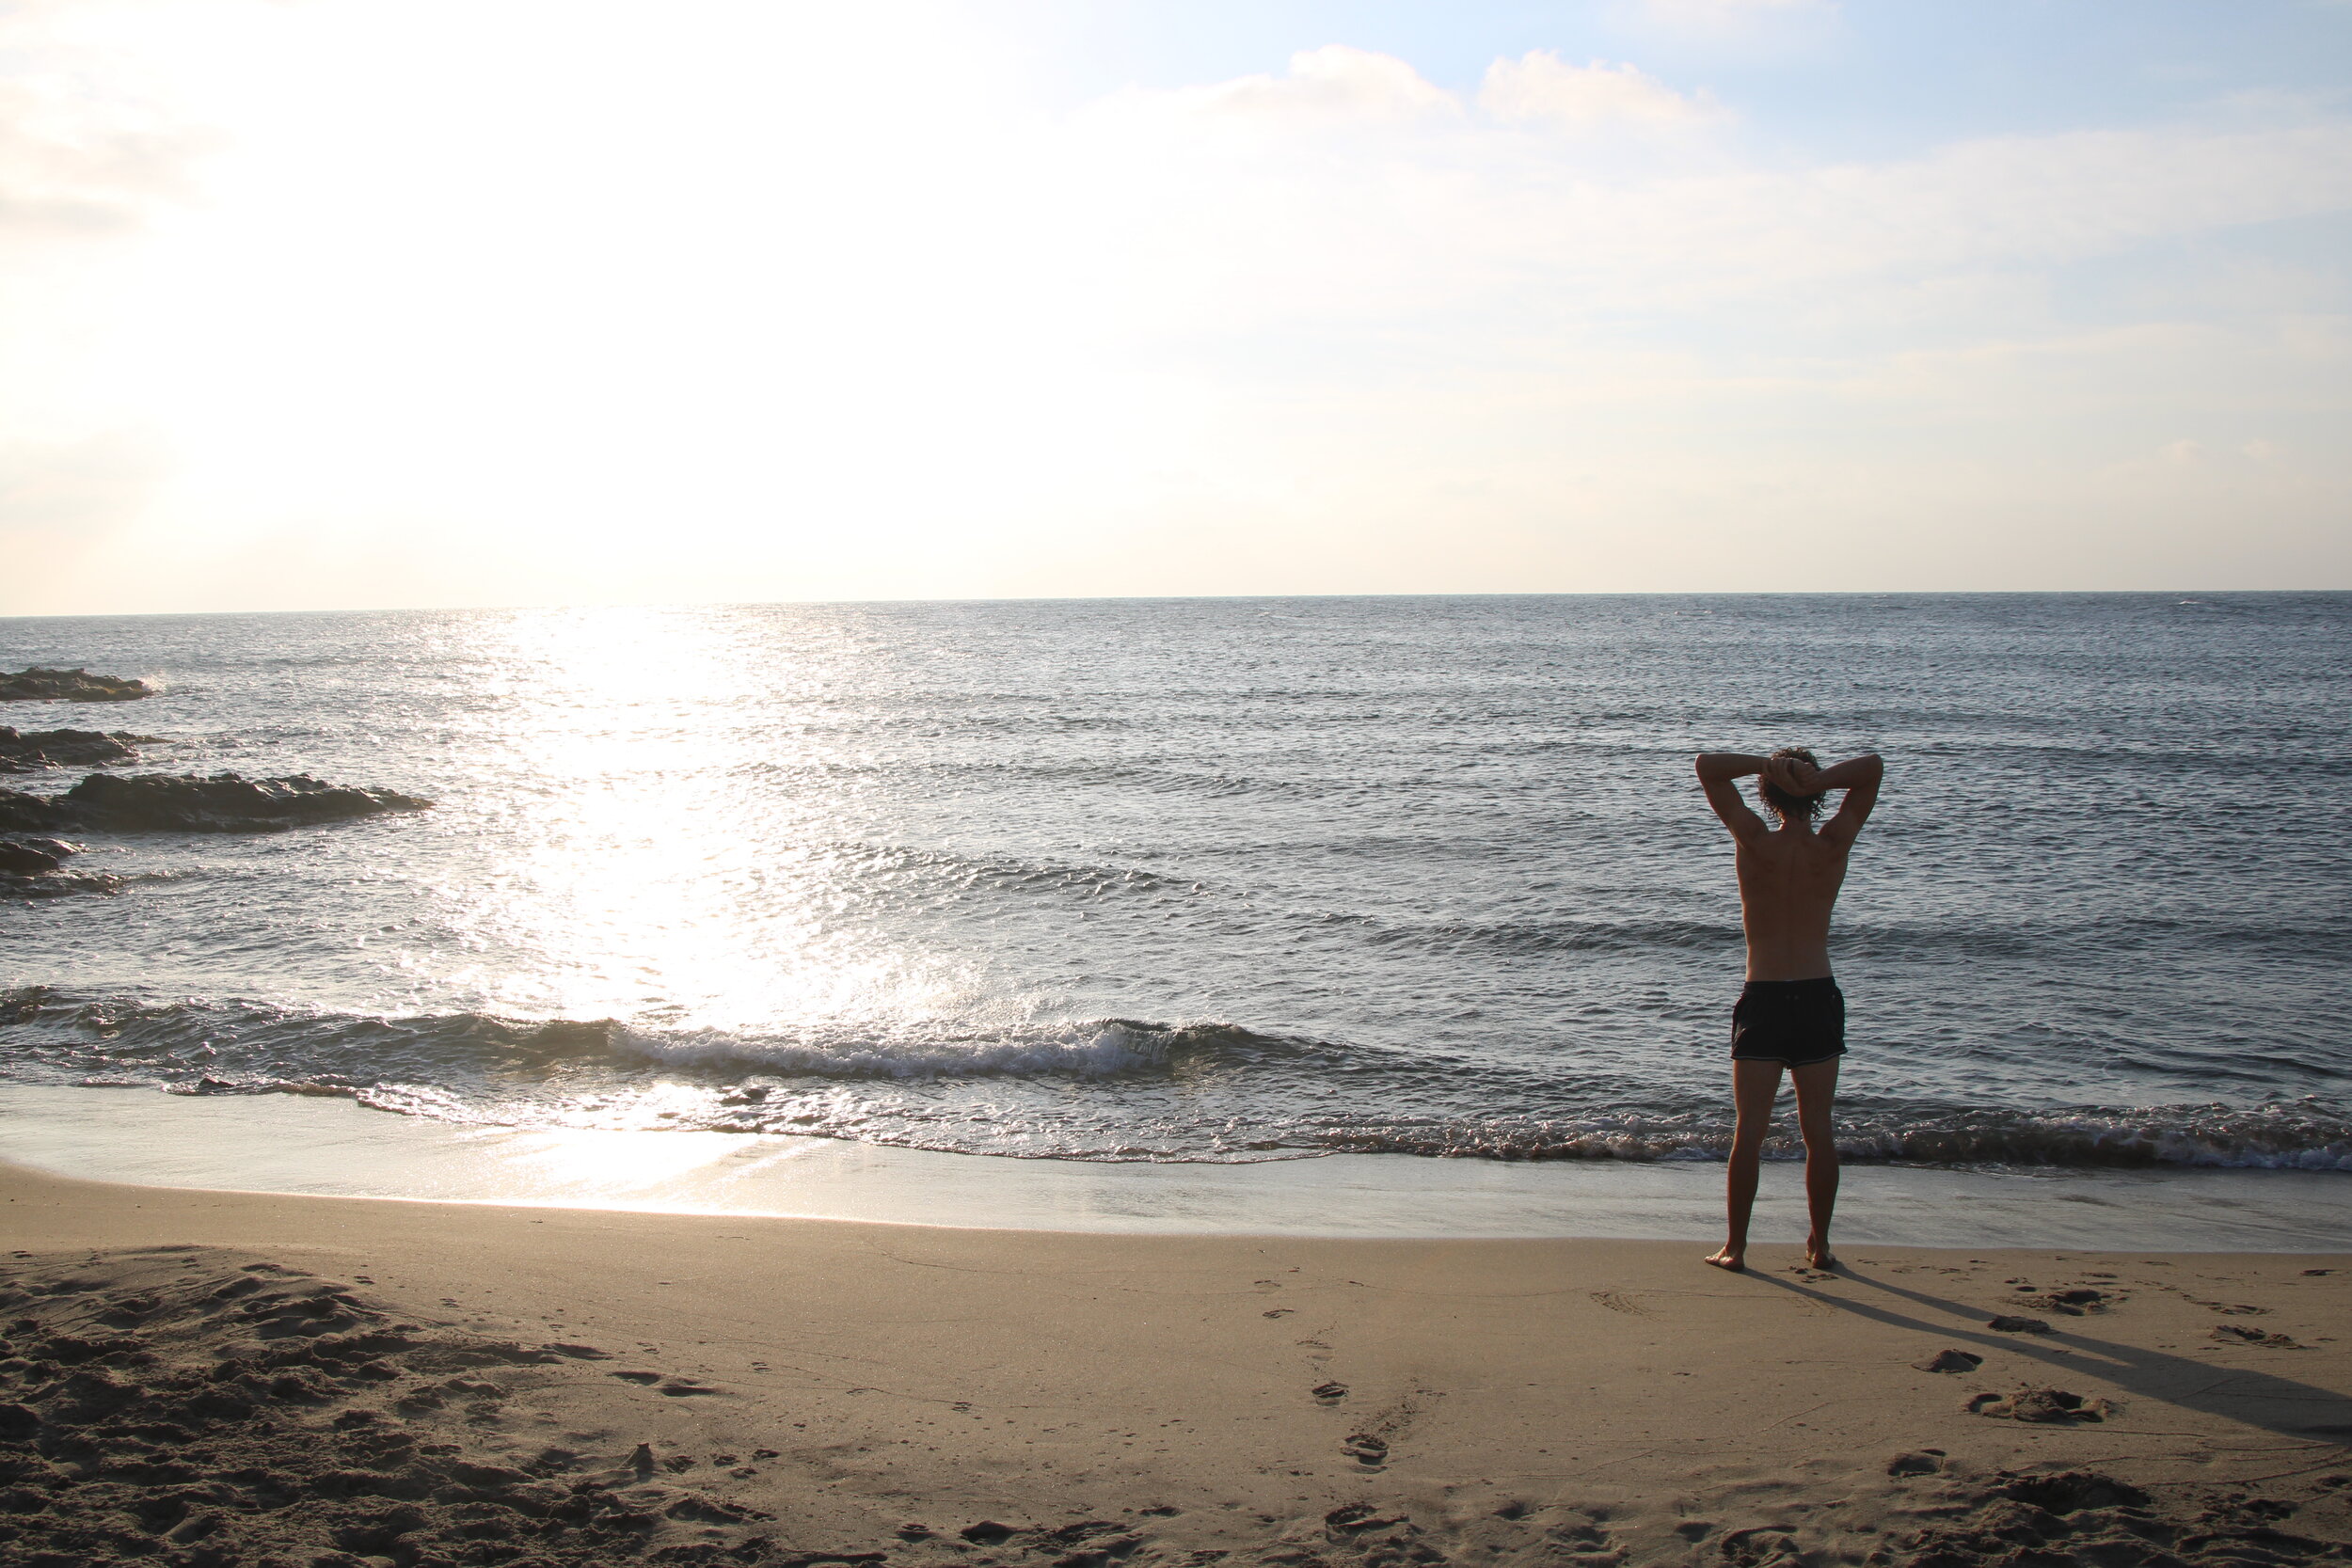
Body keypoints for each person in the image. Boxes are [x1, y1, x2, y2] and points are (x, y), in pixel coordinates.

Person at [1692, 747, 1883, 1272]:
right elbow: (1872, 768)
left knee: (1749, 1131)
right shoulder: (1834, 843)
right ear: (1818, 797)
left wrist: (1768, 766)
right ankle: (1819, 1246)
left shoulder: (1753, 841)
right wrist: (1814, 778)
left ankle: (1736, 1248)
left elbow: (1707, 765)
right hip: (1818, 995)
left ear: (1767, 795)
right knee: (1818, 1131)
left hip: (1767, 997)